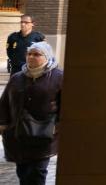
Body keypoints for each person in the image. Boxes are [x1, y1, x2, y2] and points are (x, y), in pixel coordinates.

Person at [0, 41, 62, 184]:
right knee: (23, 172)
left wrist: (58, 125)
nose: (31, 57)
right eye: (29, 54)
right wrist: (3, 124)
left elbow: (67, 104)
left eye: (37, 54)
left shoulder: (58, 77)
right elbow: (4, 103)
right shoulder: (17, 78)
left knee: (37, 173)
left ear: (47, 57)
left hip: (44, 135)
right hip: (19, 135)